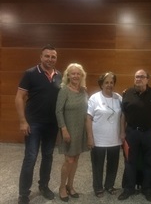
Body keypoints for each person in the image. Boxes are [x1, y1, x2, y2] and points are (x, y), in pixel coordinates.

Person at [15, 44, 62, 204]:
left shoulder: (60, 75)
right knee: (30, 157)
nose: (50, 59)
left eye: (53, 56)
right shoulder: (30, 73)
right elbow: (19, 97)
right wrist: (22, 121)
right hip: (33, 124)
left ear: (56, 58)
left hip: (52, 124)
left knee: (48, 156)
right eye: (47, 56)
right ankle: (23, 194)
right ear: (41, 57)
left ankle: (44, 186)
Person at [118, 69, 151, 202]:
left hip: (149, 133)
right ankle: (129, 188)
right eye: (136, 76)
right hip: (131, 133)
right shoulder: (127, 93)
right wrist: (122, 131)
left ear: (147, 79)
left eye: (141, 77)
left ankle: (147, 189)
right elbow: (123, 115)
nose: (138, 79)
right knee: (129, 161)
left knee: (149, 162)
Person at [55, 63, 89, 202]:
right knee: (68, 160)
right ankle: (62, 187)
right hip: (68, 130)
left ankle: (70, 185)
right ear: (68, 75)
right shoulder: (64, 90)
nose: (75, 76)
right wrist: (63, 129)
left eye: (78, 73)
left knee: (76, 159)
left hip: (80, 130)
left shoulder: (84, 91)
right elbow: (58, 111)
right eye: (73, 73)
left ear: (82, 76)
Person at [86, 72, 122, 198]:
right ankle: (98, 187)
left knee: (113, 164)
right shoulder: (94, 98)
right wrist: (90, 137)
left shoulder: (118, 98)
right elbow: (88, 118)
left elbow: (123, 117)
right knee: (97, 165)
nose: (109, 85)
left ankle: (109, 185)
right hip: (98, 139)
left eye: (112, 82)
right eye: (106, 82)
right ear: (101, 84)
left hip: (115, 138)